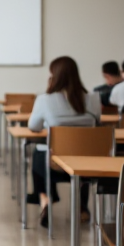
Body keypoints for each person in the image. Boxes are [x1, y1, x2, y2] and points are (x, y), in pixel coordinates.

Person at [27, 56, 101, 227]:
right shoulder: (93, 99)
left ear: (54, 75)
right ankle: (82, 207)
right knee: (81, 162)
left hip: (54, 164)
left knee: (39, 152)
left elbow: (33, 126)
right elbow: (97, 124)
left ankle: (46, 199)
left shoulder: (45, 99)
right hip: (86, 164)